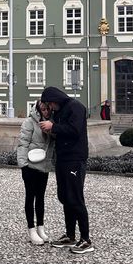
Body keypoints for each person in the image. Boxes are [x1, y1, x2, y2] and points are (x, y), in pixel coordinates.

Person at [39, 86, 94, 254]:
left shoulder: (76, 107)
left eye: (50, 105)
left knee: (76, 198)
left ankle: (85, 239)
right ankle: (70, 235)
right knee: (65, 196)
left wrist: (53, 126)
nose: (50, 108)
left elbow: (75, 130)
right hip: (62, 158)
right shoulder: (60, 110)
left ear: (55, 100)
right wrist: (51, 130)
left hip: (75, 159)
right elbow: (62, 131)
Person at [16, 100, 55, 245]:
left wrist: (51, 131)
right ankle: (31, 229)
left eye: (47, 109)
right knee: (30, 197)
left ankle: (41, 228)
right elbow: (23, 143)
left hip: (43, 166)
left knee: (41, 198)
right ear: (38, 109)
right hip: (30, 166)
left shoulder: (51, 122)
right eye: (43, 109)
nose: (46, 112)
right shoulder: (29, 122)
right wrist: (23, 165)